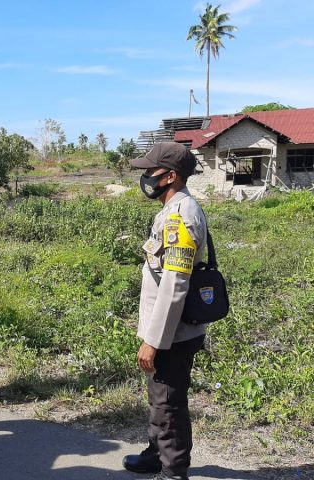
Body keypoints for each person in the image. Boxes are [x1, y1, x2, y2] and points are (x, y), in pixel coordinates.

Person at [122, 142, 208, 480]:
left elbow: (174, 284)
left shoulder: (180, 215)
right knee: (160, 397)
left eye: (150, 171)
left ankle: (173, 471)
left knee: (168, 403)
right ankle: (156, 454)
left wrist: (154, 341)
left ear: (170, 176)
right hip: (168, 329)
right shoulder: (171, 208)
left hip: (173, 333)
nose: (145, 177)